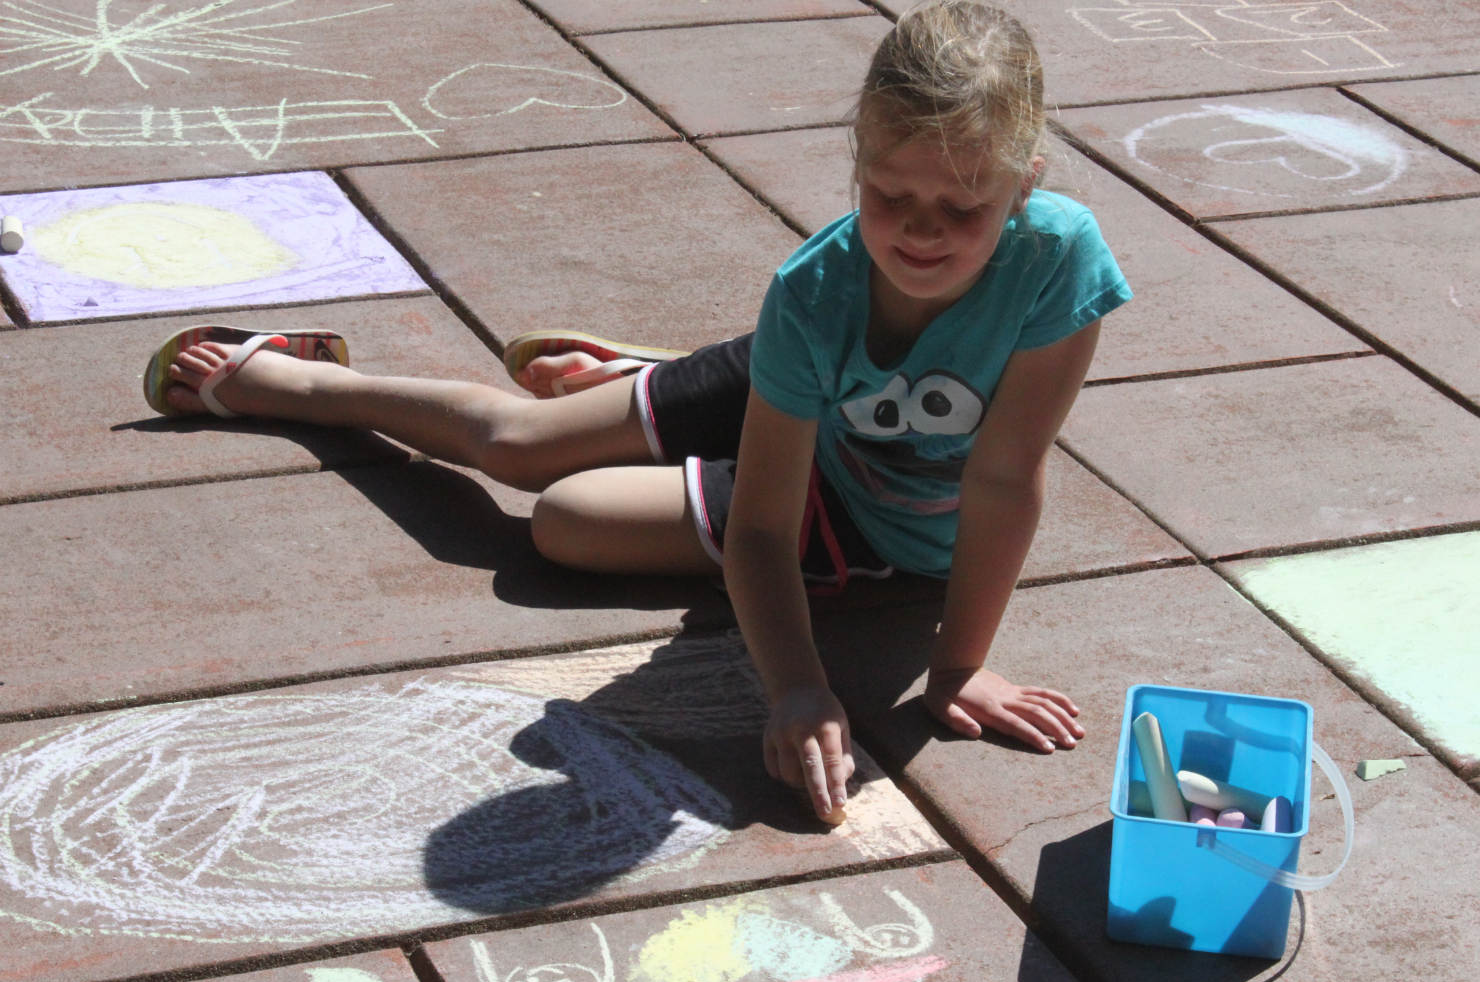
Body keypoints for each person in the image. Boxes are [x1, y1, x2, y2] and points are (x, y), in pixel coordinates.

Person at [142, 0, 1131, 824]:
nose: (919, 232)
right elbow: (758, 529)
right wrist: (795, 680)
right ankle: (305, 384)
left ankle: (657, 382)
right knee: (517, 443)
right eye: (888, 195)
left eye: (961, 208)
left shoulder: (1058, 257)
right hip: (805, 374)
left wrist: (959, 665)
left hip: (861, 498)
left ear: (1025, 184)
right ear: (857, 164)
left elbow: (1004, 476)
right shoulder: (814, 289)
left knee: (565, 520)